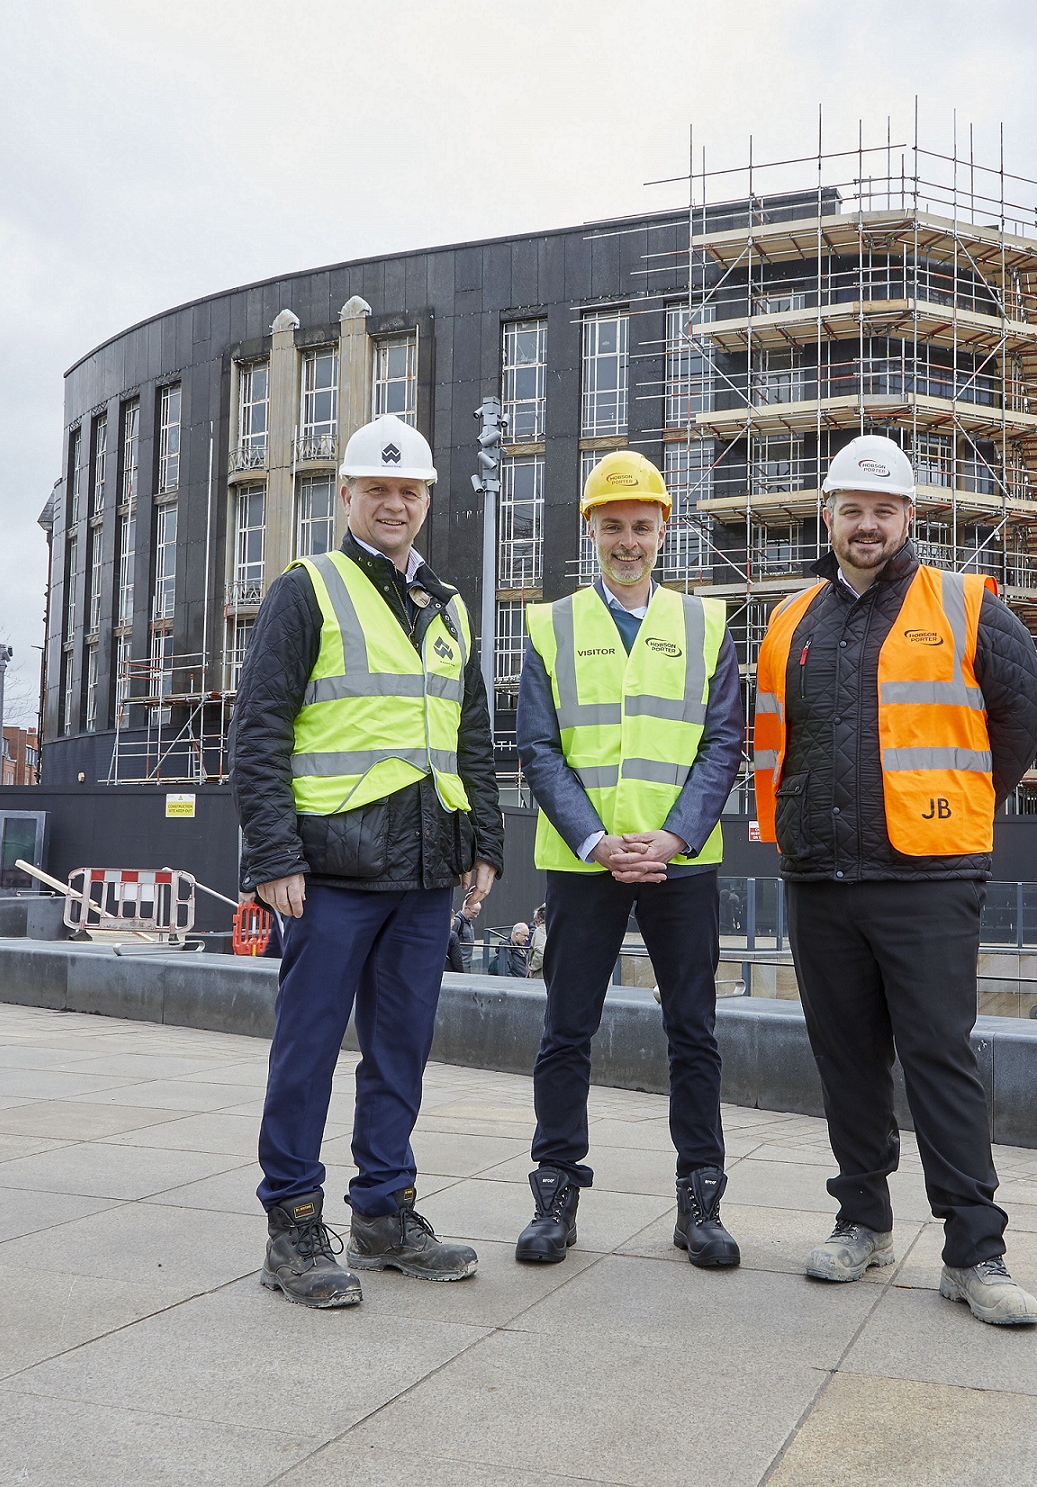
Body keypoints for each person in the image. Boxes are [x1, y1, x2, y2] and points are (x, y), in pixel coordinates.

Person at [752, 433, 1037, 1327]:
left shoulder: (964, 605)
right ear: (830, 515)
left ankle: (975, 1250)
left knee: (938, 1057)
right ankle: (863, 1221)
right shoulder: (790, 617)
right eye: (853, 508)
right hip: (819, 874)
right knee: (846, 1059)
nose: (869, 523)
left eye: (885, 509)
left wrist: (958, 796)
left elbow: (1024, 710)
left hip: (927, 871)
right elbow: (776, 736)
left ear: (910, 517)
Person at [233, 414, 503, 1309]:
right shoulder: (306, 590)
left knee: (400, 1052)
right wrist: (272, 852)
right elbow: (261, 725)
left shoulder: (449, 604)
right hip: (331, 870)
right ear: (344, 496)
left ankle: (385, 1210)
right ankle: (294, 1221)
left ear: (426, 500)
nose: (395, 503)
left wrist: (485, 843)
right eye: (378, 489)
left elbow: (471, 735)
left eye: (410, 490)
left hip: (426, 870)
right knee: (307, 1050)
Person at [513, 448, 745, 1270]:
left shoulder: (704, 623)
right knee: (566, 1030)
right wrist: (597, 841)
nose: (627, 540)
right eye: (612, 525)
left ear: (662, 532)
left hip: (679, 861)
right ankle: (554, 1195)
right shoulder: (552, 624)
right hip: (587, 862)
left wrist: (673, 837)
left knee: (694, 1031)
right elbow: (536, 749)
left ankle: (700, 1201)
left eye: (641, 526)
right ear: (592, 530)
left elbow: (724, 745)